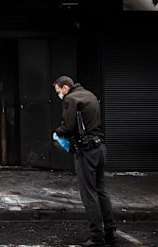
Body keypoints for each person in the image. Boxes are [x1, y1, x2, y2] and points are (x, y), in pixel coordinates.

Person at [53, 76, 118, 246]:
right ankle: (111, 233)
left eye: (59, 91)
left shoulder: (71, 99)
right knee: (101, 190)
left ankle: (97, 236)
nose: (59, 95)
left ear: (66, 87)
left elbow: (67, 126)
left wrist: (57, 133)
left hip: (87, 150)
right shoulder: (89, 95)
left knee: (88, 194)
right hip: (100, 148)